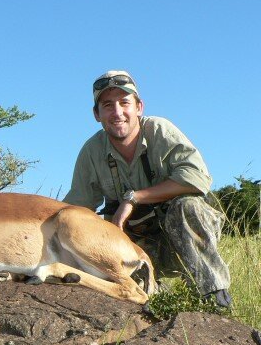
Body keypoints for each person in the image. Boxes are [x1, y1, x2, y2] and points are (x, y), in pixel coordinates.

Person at [63, 70, 232, 307]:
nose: (118, 112)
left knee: (188, 206)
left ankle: (214, 298)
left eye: (124, 103)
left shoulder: (159, 130)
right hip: (135, 247)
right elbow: (75, 210)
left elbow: (197, 178)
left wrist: (133, 198)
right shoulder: (91, 152)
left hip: (181, 238)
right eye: (108, 105)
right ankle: (153, 298)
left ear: (139, 107)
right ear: (96, 114)